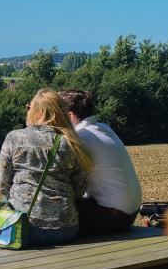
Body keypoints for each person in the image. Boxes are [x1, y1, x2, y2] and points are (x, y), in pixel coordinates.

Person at [0, 88, 92, 246]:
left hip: (24, 228)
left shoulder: (13, 138)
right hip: (66, 229)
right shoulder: (69, 142)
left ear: (34, 111)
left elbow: (3, 183)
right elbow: (80, 188)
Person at [58, 89, 142, 235]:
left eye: (58, 115)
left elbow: (64, 179)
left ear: (70, 116)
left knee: (52, 204)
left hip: (114, 217)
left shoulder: (81, 138)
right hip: (130, 213)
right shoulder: (103, 128)